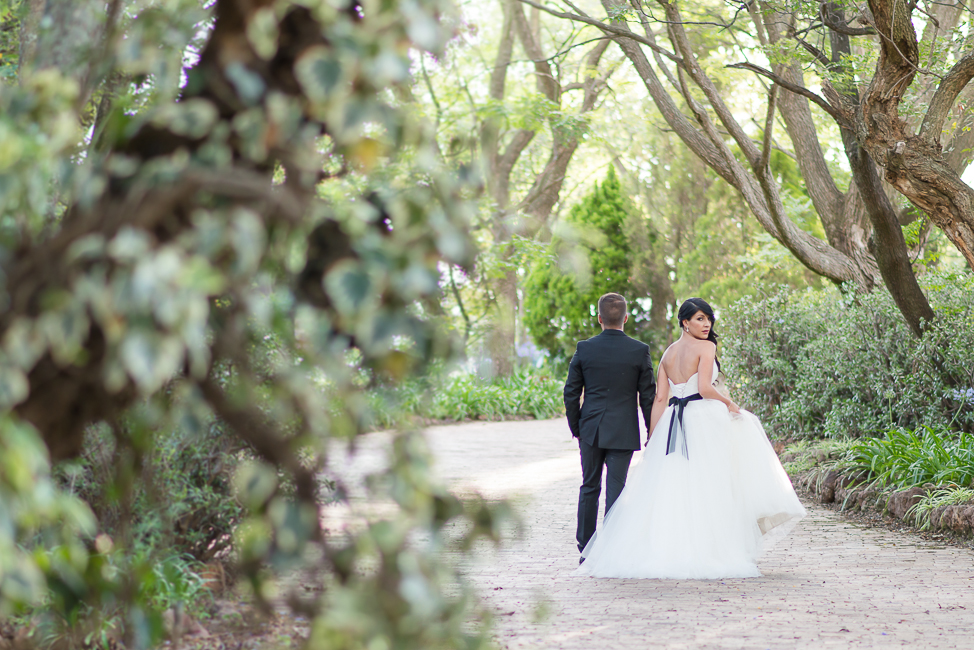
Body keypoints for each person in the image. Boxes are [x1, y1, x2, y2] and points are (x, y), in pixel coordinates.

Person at [575, 297, 806, 579]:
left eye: (708, 318)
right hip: (702, 419)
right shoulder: (706, 348)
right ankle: (711, 549)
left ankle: (668, 548)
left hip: (673, 420)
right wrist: (729, 404)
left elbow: (661, 398)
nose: (706, 323)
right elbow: (706, 388)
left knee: (675, 484)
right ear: (685, 322)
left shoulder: (667, 354)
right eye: (699, 318)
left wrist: (655, 436)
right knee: (711, 483)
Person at [564, 292, 656, 564]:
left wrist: (577, 426)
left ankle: (587, 550)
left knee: (589, 487)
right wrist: (652, 431)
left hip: (590, 429)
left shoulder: (585, 348)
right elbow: (647, 396)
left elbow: (571, 392)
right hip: (623, 431)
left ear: (599, 318)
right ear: (626, 318)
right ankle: (612, 551)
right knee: (617, 489)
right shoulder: (639, 351)